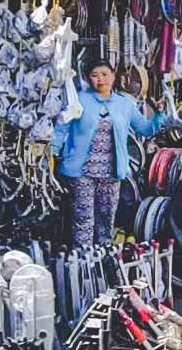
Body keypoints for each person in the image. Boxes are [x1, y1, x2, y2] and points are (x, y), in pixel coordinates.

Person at [53, 60, 168, 246]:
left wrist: (160, 115)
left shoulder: (125, 104)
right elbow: (61, 128)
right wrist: (51, 151)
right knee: (83, 220)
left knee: (106, 220)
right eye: (95, 75)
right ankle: (82, 259)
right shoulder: (78, 100)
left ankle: (103, 257)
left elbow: (146, 129)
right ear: (88, 78)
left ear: (114, 76)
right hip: (81, 172)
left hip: (112, 172)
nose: (101, 79)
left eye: (105, 74)